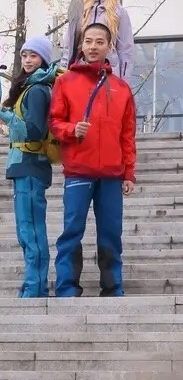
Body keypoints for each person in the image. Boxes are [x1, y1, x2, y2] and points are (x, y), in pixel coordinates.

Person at [50, 22, 136, 298]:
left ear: (109, 47)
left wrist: (129, 172)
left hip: (111, 174)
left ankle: (113, 289)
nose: (93, 47)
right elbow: (54, 122)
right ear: (81, 45)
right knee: (71, 231)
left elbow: (127, 135)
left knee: (111, 233)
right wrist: (71, 130)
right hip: (78, 170)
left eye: (100, 42)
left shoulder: (121, 88)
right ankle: (66, 288)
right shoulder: (65, 82)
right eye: (88, 41)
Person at [0, 37, 57, 298]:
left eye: (33, 55)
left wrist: (3, 114)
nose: (28, 60)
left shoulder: (38, 90)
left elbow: (33, 131)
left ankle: (35, 287)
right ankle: (32, 284)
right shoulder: (30, 87)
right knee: (25, 230)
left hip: (31, 165)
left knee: (30, 230)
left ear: (43, 59)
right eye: (24, 55)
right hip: (23, 166)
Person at [61, 0, 134, 82]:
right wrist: (63, 71)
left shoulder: (119, 12)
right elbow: (69, 46)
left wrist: (125, 82)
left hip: (109, 73)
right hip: (82, 71)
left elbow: (126, 51)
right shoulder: (81, 9)